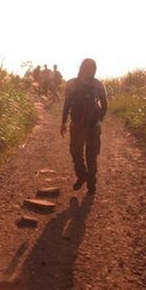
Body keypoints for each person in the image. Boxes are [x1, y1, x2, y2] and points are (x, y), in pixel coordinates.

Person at [60, 58, 107, 194]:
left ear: (80, 68)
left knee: (76, 152)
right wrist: (99, 119)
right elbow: (105, 104)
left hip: (77, 125)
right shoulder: (98, 84)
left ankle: (82, 176)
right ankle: (92, 186)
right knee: (91, 155)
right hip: (94, 126)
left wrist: (63, 122)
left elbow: (67, 103)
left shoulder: (72, 83)